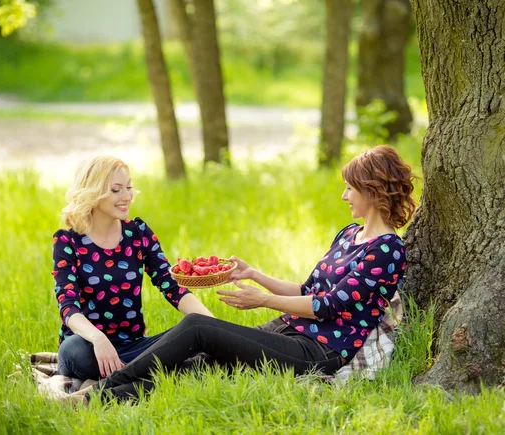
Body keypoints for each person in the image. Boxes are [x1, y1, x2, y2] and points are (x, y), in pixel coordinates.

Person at [66, 145, 417, 404]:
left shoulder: (386, 250)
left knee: (198, 328)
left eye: (350, 188)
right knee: (201, 365)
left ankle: (101, 387)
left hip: (319, 350)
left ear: (372, 191)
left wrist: (262, 300)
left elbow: (327, 306)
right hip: (289, 329)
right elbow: (305, 288)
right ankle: (92, 402)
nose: (344, 196)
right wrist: (255, 275)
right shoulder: (348, 235)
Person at [52, 155, 213, 381]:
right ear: (93, 192)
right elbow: (68, 308)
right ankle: (162, 368)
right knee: (73, 351)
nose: (127, 196)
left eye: (128, 187)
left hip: (136, 346)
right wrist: (98, 338)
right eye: (116, 190)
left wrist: (213, 326)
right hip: (89, 348)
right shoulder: (68, 242)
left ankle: (132, 372)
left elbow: (173, 288)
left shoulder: (137, 234)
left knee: (193, 330)